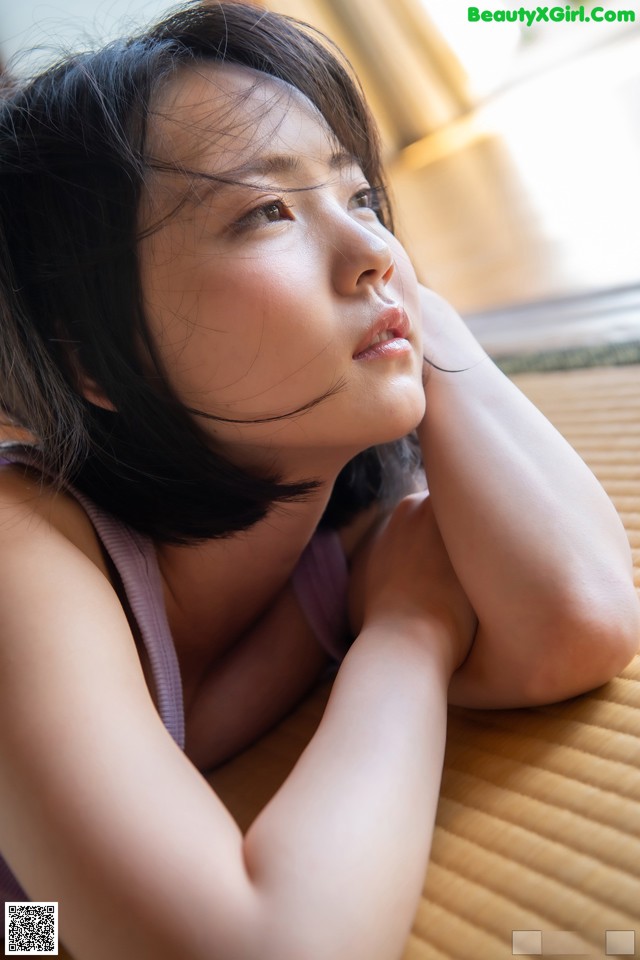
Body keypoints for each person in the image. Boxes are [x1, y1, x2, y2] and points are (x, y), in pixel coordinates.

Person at [0, 3, 637, 958]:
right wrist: (412, 631)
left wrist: (413, 318)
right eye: (267, 211)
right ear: (93, 355)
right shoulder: (22, 544)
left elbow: (578, 620)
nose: (375, 253)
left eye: (364, 198)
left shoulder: (336, 528)